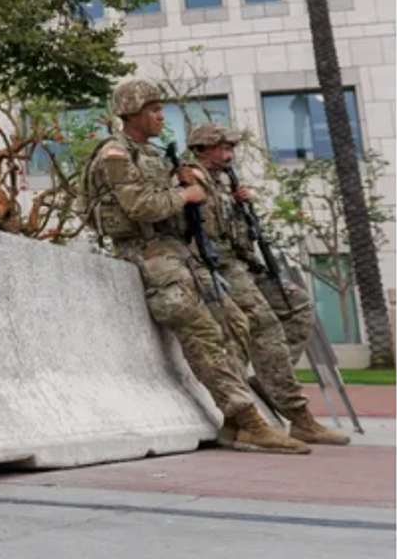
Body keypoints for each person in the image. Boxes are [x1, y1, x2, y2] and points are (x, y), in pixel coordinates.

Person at [83, 80, 307, 454]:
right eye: (154, 110)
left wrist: (185, 186)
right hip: (144, 251)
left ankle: (235, 425)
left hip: (177, 249)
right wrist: (185, 193)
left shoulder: (152, 154)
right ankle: (247, 420)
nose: (161, 116)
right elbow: (140, 207)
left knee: (235, 322)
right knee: (200, 330)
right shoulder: (115, 154)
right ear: (133, 113)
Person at [186, 123, 348, 446]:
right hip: (218, 266)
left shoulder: (224, 180)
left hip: (245, 263)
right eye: (223, 148)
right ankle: (299, 417)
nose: (229, 155)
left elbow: (237, 229)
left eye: (231, 148)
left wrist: (241, 203)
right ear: (203, 149)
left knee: (298, 305)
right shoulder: (191, 177)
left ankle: (267, 380)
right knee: (265, 324)